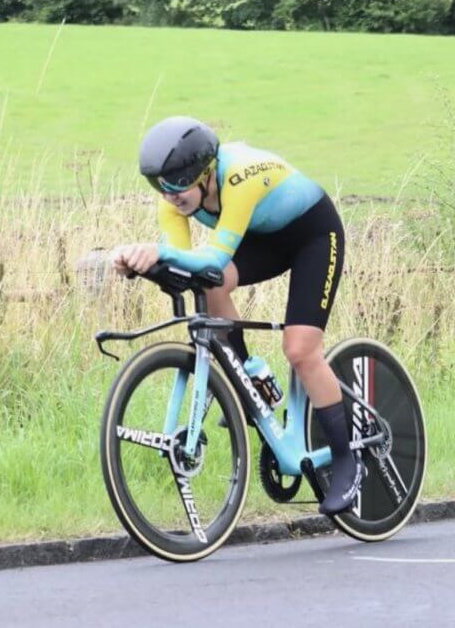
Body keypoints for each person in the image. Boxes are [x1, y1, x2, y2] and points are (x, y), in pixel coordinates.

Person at [112, 115, 359, 515]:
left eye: (179, 183)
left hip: (313, 233)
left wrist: (159, 253)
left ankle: (348, 460)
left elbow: (213, 256)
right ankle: (247, 376)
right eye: (161, 185)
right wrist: (141, 264)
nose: (171, 195)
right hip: (266, 239)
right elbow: (187, 265)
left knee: (300, 348)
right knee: (209, 284)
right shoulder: (173, 203)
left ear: (207, 172)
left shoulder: (239, 177)